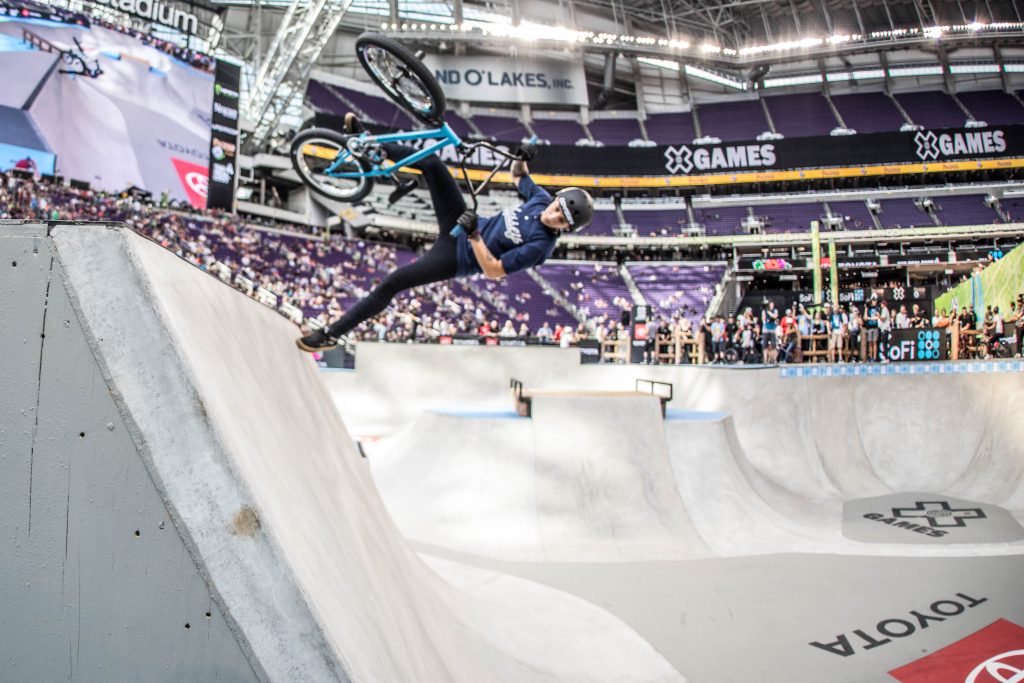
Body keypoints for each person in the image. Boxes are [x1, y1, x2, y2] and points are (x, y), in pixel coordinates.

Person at [296, 114, 594, 352]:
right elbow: (518, 175)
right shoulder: (541, 199)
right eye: (557, 207)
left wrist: (475, 234)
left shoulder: (540, 246)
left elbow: (493, 270)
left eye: (560, 220)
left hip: (458, 256)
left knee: (393, 282)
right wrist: (523, 156)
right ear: (555, 198)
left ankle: (331, 335)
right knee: (432, 164)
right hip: (462, 223)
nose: (552, 215)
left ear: (566, 229)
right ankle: (368, 145)